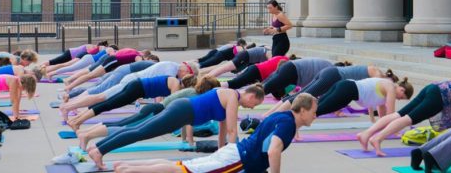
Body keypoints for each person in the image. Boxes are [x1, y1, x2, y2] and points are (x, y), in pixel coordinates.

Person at [113, 92, 318, 173]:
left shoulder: (283, 117)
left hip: (236, 153)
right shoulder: (287, 124)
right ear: (303, 110)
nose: (316, 116)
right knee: (183, 171)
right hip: (238, 159)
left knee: (182, 166)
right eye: (314, 112)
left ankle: (128, 166)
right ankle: (129, 170)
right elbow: (273, 151)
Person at [87, 85, 265, 169]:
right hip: (183, 111)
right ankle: (99, 151)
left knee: (138, 129)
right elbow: (234, 131)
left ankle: (98, 147)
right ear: (251, 96)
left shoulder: (229, 98)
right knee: (141, 132)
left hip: (183, 110)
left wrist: (221, 154)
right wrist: (234, 157)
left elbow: (224, 131)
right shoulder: (233, 97)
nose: (252, 108)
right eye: (254, 104)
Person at [357, 78, 451, 157]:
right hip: (439, 97)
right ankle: (378, 138)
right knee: (408, 119)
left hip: (433, 88)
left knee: (398, 115)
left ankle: (366, 134)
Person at [76, 75, 220, 150]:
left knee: (123, 125)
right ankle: (87, 135)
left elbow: (186, 120)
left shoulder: (192, 92)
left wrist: (185, 140)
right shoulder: (195, 95)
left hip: (154, 109)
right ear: (209, 89)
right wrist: (189, 141)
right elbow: (188, 121)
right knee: (125, 128)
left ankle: (87, 134)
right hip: (156, 110)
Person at [59, 61, 199, 119]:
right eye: (189, 75)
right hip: (133, 80)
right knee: (101, 97)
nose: (185, 79)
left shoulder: (172, 68)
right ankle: (68, 106)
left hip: (134, 81)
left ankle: (70, 105)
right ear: (187, 69)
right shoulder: (171, 69)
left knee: (101, 96)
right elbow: (170, 95)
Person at [67, 74, 197, 130]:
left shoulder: (173, 80)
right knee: (108, 105)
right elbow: (171, 104)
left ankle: (77, 119)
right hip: (137, 88)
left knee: (108, 104)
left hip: (137, 86)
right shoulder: (175, 84)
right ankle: (77, 121)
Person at [264, 65, 394, 117]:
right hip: (333, 76)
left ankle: (268, 115)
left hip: (331, 73)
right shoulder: (377, 75)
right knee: (302, 96)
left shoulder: (375, 74)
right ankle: (272, 117)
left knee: (300, 94)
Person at [63, 57, 160, 101]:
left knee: (97, 87)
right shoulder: (155, 67)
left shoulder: (151, 65)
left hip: (121, 71)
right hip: (122, 72)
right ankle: (71, 99)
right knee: (99, 89)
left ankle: (71, 94)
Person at [62, 49, 154, 92]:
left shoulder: (133, 51)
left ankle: (69, 83)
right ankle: (69, 86)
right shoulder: (138, 56)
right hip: (113, 61)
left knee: (91, 74)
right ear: (145, 56)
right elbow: (138, 66)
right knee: (91, 75)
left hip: (113, 60)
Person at [262, 57, 335, 100]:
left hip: (292, 70)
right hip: (293, 71)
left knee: (275, 92)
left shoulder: (329, 68)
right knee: (265, 89)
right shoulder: (331, 73)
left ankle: (254, 92)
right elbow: (323, 90)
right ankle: (252, 94)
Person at [220, 55, 291, 89]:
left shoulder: (282, 57)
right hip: (257, 72)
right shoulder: (286, 65)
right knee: (235, 83)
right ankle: (214, 86)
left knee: (235, 82)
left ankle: (215, 85)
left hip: (255, 68)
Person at [47, 46, 116, 78]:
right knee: (70, 68)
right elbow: (113, 55)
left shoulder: (107, 49)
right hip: (89, 59)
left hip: (89, 58)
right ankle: (51, 73)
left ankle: (50, 73)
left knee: (70, 67)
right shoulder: (110, 49)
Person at [205, 46, 274, 78]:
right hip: (244, 56)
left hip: (245, 58)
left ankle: (206, 76)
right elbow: (270, 63)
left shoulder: (267, 49)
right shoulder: (269, 52)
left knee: (224, 68)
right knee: (224, 69)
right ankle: (206, 78)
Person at [42, 41, 109, 70]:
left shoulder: (93, 47)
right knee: (53, 62)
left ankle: (43, 68)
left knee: (57, 63)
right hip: (70, 53)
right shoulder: (93, 47)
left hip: (71, 54)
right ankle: (40, 67)